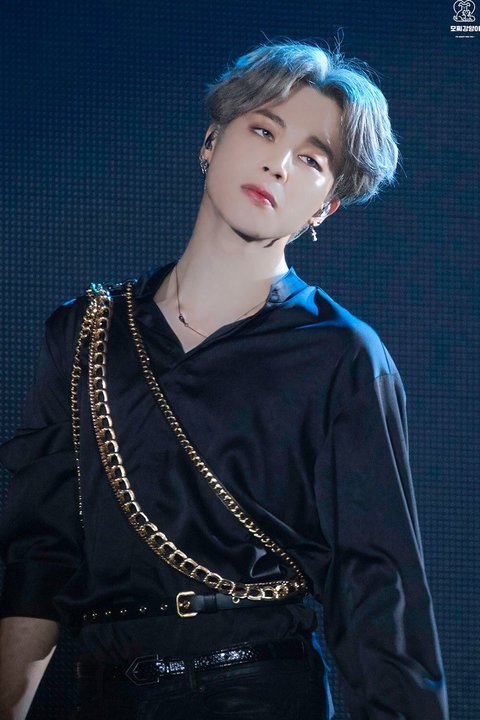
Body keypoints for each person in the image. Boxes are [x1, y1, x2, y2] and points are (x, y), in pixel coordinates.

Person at [0, 40, 449, 720]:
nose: (278, 163)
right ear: (212, 140)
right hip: (107, 694)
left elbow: (378, 590)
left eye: (311, 159)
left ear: (325, 207)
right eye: (264, 130)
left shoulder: (341, 355)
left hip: (261, 692)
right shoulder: (86, 334)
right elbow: (40, 554)